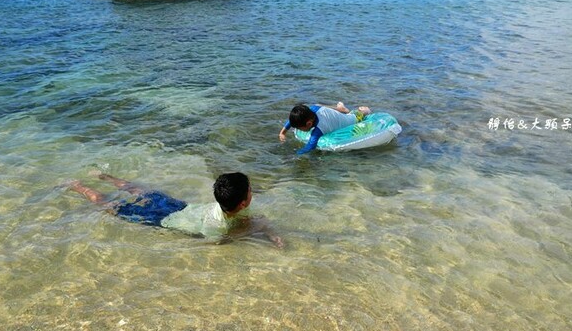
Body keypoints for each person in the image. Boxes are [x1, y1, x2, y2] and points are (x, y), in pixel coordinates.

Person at [69, 171, 283, 247]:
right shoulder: (216, 225)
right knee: (109, 205)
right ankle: (76, 186)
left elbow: (255, 220)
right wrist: (242, 234)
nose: (252, 192)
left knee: (139, 190)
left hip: (181, 207)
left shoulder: (229, 205)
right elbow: (214, 242)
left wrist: (270, 233)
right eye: (250, 190)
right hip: (162, 219)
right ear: (243, 203)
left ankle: (105, 176)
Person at [279, 101, 371, 155]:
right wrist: (282, 133)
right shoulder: (312, 110)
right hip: (329, 113)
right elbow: (292, 120)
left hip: (352, 119)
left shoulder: (319, 129)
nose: (298, 130)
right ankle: (341, 109)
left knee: (359, 114)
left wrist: (295, 154)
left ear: (309, 124)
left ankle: (363, 111)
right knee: (318, 105)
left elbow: (310, 146)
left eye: (299, 128)